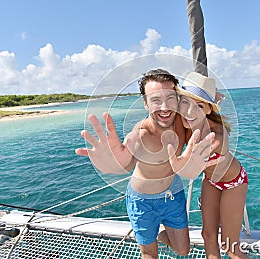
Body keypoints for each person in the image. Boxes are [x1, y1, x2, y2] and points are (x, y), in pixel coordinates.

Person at [76, 69, 221, 259]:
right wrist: (115, 163)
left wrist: (212, 103)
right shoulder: (140, 134)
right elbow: (126, 162)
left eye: (170, 98)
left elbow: (212, 124)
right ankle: (151, 239)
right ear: (145, 103)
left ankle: (161, 235)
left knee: (183, 250)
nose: (164, 107)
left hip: (173, 194)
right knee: (150, 254)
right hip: (142, 201)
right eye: (155, 100)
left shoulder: (182, 121)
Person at [168, 72, 249, 259]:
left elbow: (208, 149)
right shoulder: (184, 122)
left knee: (229, 245)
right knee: (207, 235)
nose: (189, 111)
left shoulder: (216, 134)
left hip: (233, 183)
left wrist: (186, 165)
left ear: (207, 110)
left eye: (199, 105)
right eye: (185, 102)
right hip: (211, 181)